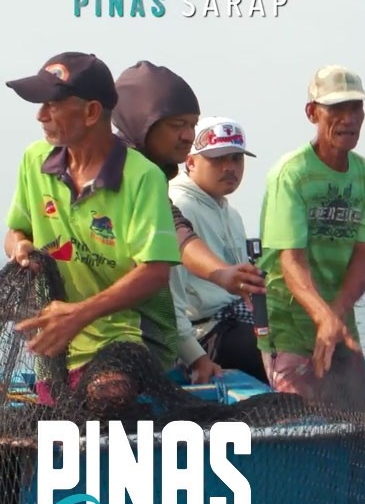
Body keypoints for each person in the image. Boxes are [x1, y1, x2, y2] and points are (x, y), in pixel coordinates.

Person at [3, 52, 181, 407]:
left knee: (108, 395)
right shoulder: (34, 161)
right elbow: (15, 232)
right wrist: (20, 247)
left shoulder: (142, 177)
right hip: (52, 346)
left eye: (52, 104)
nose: (41, 115)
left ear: (91, 112)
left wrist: (79, 314)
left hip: (123, 340)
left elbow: (155, 271)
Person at [256, 65, 365, 401]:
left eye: (355, 108)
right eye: (336, 108)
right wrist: (322, 317)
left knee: (360, 420)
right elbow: (291, 261)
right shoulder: (291, 174)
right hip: (288, 325)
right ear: (312, 113)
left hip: (340, 320)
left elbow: (364, 257)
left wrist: (335, 317)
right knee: (302, 424)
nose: (348, 118)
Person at [113, 61, 265, 302]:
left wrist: (226, 276)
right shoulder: (121, 171)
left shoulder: (153, 178)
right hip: (185, 327)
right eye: (177, 125)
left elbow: (177, 232)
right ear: (143, 122)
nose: (187, 136)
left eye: (192, 125)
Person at [168, 116, 269, 384]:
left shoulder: (230, 212)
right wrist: (194, 356)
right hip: (203, 334)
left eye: (236, 158)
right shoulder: (178, 205)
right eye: (217, 159)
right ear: (190, 162)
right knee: (278, 352)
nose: (229, 167)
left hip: (233, 323)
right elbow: (167, 299)